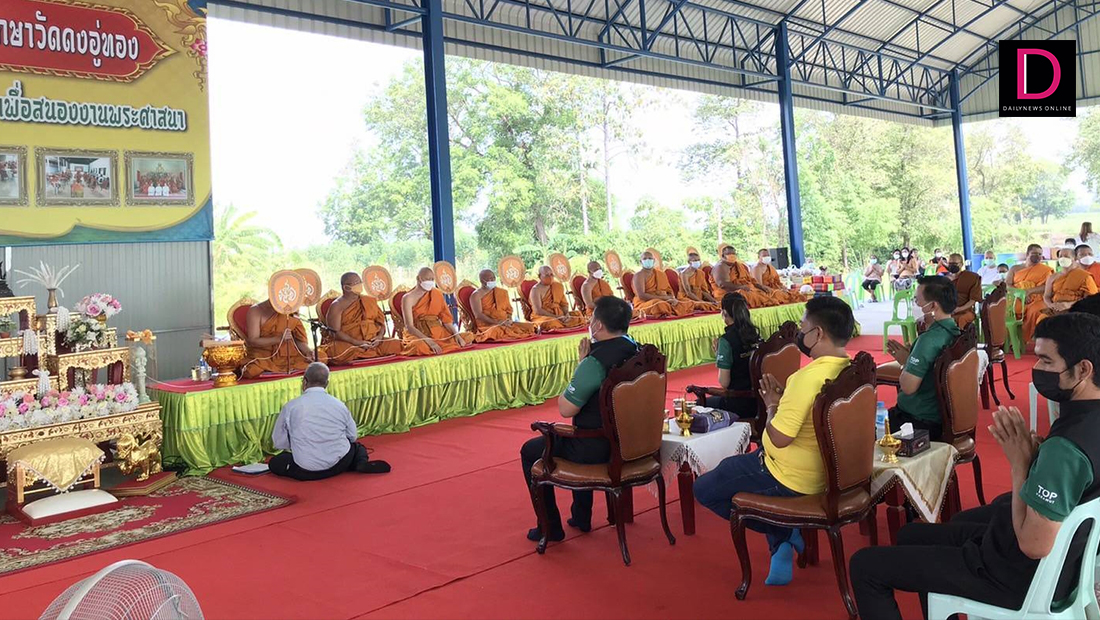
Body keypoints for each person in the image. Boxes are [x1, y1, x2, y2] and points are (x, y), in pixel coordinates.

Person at [851, 313, 1100, 620]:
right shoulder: (1085, 420)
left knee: (865, 566)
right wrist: (1037, 460)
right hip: (1063, 563)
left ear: (1083, 369)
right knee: (912, 536)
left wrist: (1021, 464)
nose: (1037, 370)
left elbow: (1034, 545)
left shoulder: (1065, 449)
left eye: (1047, 362)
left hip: (1014, 576)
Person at [694, 296, 854, 586]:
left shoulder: (807, 378)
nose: (801, 334)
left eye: (803, 327)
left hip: (791, 476)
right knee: (733, 467)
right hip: (835, 472)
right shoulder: (852, 371)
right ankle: (782, 540)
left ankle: (785, 531)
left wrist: (771, 405)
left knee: (705, 488)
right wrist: (786, 402)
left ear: (818, 334)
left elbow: (778, 438)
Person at [520, 296, 639, 541]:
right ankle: (580, 515)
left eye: (592, 317)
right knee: (581, 429)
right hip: (632, 441)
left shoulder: (595, 362)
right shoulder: (638, 350)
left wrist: (581, 366)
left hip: (597, 447)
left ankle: (549, 526)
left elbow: (566, 409)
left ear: (598, 326)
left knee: (531, 450)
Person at [269, 362, 391, 480]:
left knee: (276, 462)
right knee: (357, 448)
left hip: (306, 471)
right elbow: (353, 436)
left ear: (304, 382)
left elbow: (279, 442)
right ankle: (359, 463)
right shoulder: (339, 405)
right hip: (339, 465)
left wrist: (298, 446)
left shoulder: (291, 407)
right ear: (327, 383)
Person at [882, 276, 961, 441]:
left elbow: (908, 386)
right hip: (945, 417)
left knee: (864, 429)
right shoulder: (956, 333)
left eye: (917, 301)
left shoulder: (929, 340)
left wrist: (905, 362)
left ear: (932, 306)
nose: (915, 305)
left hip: (916, 421)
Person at [685, 293, 762, 419]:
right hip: (760, 401)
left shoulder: (726, 341)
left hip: (737, 402)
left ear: (724, 313)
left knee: (697, 406)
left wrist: (719, 355)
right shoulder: (756, 334)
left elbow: (724, 383)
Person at [322, 272, 403, 364]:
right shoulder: (337, 305)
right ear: (346, 287)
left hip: (374, 342)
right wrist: (357, 342)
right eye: (356, 283)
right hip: (351, 344)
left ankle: (367, 353)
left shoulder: (368, 301)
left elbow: (381, 324)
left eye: (360, 281)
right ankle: (368, 353)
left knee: (396, 344)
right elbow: (334, 333)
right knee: (336, 351)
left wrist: (379, 337)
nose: (360, 285)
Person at [1023, 246, 1099, 343]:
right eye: (1061, 256)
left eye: (1066, 256)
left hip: (1076, 310)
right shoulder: (1052, 277)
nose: (1063, 258)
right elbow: (1046, 296)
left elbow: (1090, 301)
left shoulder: (1085, 276)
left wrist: (1069, 305)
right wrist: (1051, 305)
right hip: (1055, 309)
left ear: (1074, 259)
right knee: (1042, 320)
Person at [401, 268, 472, 355]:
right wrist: (429, 341)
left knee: (468, 336)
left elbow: (446, 321)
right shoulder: (408, 298)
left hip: (438, 333)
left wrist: (456, 335)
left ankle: (439, 345)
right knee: (418, 346)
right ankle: (433, 346)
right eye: (427, 279)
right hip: (418, 334)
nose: (430, 282)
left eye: (432, 279)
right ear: (418, 279)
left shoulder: (437, 293)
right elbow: (409, 327)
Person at [241, 299, 315, 379]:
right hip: (264, 356)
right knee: (252, 369)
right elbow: (253, 341)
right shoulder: (256, 310)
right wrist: (278, 339)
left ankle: (276, 371)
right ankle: (276, 370)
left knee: (320, 358)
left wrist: (308, 352)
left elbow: (298, 340)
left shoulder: (291, 309)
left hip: (288, 356)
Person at [469, 269, 538, 343]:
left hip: (504, 322)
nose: (493, 280)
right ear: (482, 281)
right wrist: (497, 322)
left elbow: (508, 310)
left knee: (529, 327)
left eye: (494, 278)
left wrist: (508, 320)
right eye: (490, 279)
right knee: (496, 331)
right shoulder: (476, 295)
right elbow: (478, 315)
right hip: (488, 325)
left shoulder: (501, 292)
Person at [632, 251, 693, 318]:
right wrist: (664, 298)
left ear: (654, 260)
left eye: (650, 258)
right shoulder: (639, 275)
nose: (648, 260)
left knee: (686, 302)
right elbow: (642, 296)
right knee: (659, 304)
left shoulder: (660, 274)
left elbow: (669, 291)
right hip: (645, 303)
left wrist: (672, 298)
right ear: (641, 262)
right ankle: (665, 312)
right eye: (645, 259)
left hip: (663, 299)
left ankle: (668, 312)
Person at [1008, 243, 1055, 326]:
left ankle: (1033, 337)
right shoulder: (1014, 268)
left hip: (1038, 300)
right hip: (1016, 298)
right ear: (1027, 254)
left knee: (1037, 312)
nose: (1037, 256)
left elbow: (1048, 287)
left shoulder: (1046, 270)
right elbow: (1008, 285)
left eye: (1040, 254)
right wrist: (1020, 294)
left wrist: (1029, 291)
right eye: (1034, 253)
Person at [530, 266, 585, 330]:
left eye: (551, 274)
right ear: (539, 276)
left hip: (560, 314)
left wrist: (566, 314)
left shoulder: (557, 286)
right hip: (544, 317)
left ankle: (565, 323)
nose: (550, 277)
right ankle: (564, 325)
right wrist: (556, 317)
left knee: (577, 315)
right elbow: (538, 310)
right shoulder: (535, 290)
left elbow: (564, 304)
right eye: (547, 275)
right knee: (551, 323)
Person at [946, 253, 983, 329]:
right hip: (947, 311)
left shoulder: (971, 277)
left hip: (966, 311)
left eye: (955, 263)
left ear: (961, 264)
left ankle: (962, 340)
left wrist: (959, 309)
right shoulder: (944, 280)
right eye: (950, 263)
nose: (952, 265)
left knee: (961, 319)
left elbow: (973, 299)